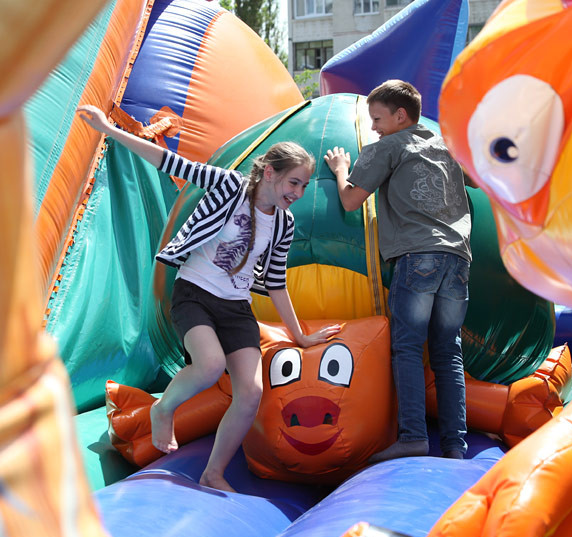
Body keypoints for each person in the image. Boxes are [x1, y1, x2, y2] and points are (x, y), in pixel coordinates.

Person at [77, 104, 340, 491]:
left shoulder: (284, 222)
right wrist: (109, 131)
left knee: (250, 392)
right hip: (194, 293)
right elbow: (170, 161)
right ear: (270, 173)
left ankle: (213, 473)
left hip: (235, 307)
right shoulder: (229, 185)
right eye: (294, 183)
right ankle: (162, 409)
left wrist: (299, 335)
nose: (298, 193)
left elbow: (276, 281)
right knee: (211, 363)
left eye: (303, 186)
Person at [323, 80, 471, 462]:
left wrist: (341, 169)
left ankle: (413, 436)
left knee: (406, 347)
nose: (373, 127)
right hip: (457, 257)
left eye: (378, 118)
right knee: (447, 352)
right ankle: (455, 445)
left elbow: (351, 200)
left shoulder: (389, 146)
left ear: (400, 116)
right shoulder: (444, 146)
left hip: (417, 254)